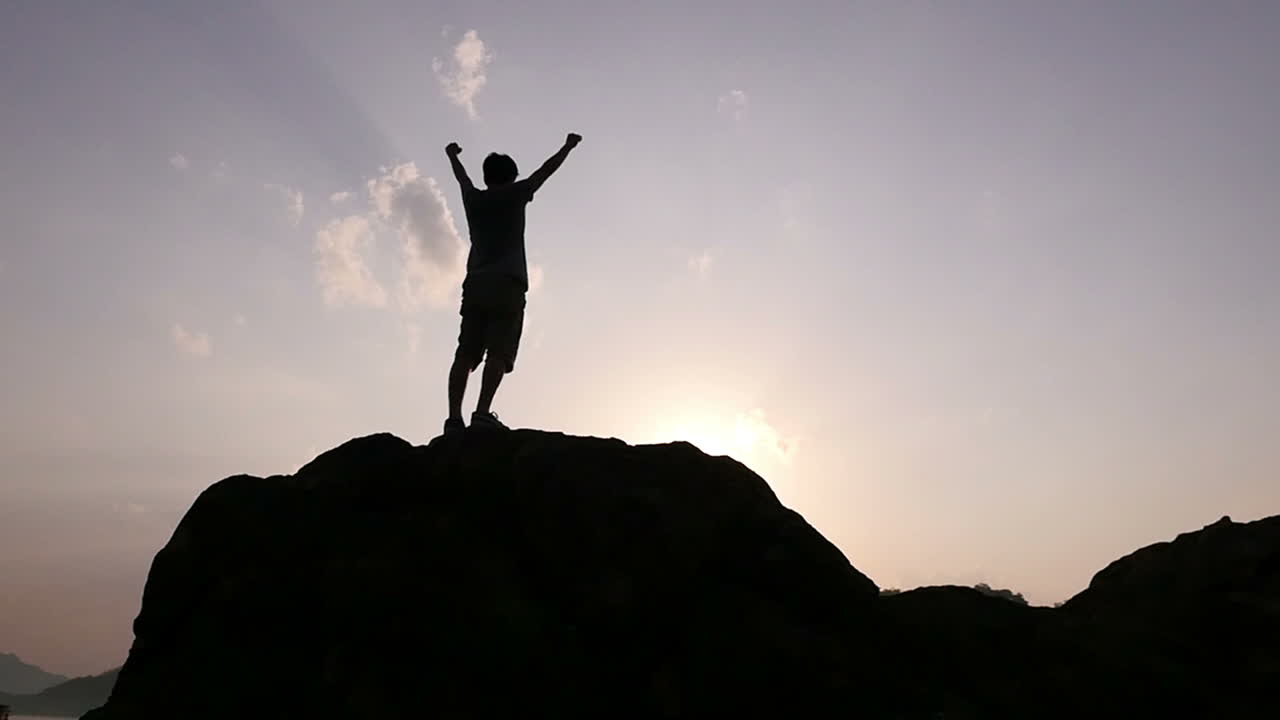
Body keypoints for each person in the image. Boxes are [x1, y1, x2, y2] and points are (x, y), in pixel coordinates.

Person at [442, 133, 582, 433]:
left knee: (465, 352)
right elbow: (546, 170)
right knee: (499, 350)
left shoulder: (474, 198)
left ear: (488, 176)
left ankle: (454, 418)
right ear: (511, 176)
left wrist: (453, 156)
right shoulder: (516, 194)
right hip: (507, 282)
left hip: (476, 282)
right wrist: (568, 146)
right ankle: (481, 413)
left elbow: (461, 179)